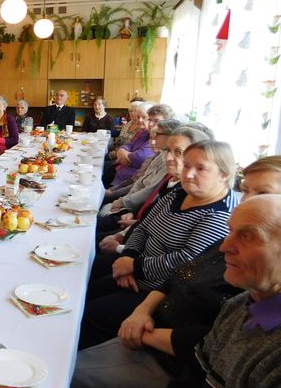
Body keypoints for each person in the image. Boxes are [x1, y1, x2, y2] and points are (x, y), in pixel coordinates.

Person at [62, 195, 281, 388]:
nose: (225, 246)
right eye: (230, 231)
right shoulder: (241, 305)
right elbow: (188, 387)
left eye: (247, 237)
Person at [80, 140, 238, 349]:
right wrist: (128, 256)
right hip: (135, 270)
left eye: (201, 168)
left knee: (89, 315)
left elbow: (186, 261)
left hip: (159, 293)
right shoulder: (180, 192)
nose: (189, 174)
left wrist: (134, 266)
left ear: (224, 174)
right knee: (85, 290)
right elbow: (143, 226)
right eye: (187, 165)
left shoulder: (220, 215)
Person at [98, 125, 213, 252]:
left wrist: (122, 250)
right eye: (167, 150)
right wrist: (127, 231)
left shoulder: (190, 193)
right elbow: (147, 221)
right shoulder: (172, 182)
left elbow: (179, 254)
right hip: (135, 232)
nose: (168, 157)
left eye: (178, 152)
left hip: (140, 252)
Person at [108, 102, 154, 187]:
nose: (140, 120)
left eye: (144, 117)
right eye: (138, 117)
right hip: (119, 173)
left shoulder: (153, 138)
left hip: (128, 182)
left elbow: (139, 157)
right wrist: (121, 152)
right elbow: (129, 144)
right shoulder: (143, 132)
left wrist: (122, 154)